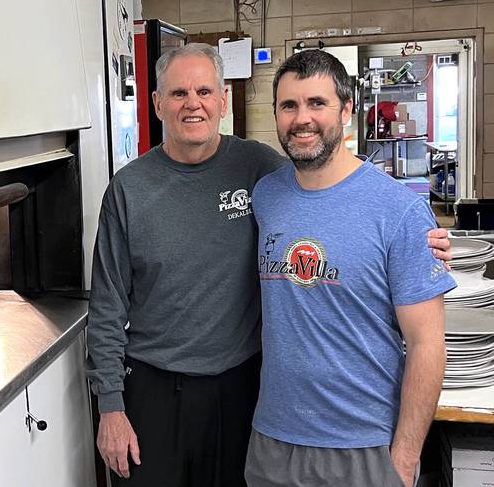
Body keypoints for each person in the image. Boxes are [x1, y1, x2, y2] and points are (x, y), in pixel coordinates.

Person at [86, 44, 451, 486]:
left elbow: (326, 183)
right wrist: (110, 405)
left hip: (246, 392)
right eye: (178, 92)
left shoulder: (259, 170)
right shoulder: (136, 189)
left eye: (204, 90)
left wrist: (419, 238)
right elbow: (106, 308)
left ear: (223, 100)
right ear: (157, 103)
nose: (192, 103)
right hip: (162, 392)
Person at [245, 50, 456, 487]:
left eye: (317, 103)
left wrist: (402, 461)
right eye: (289, 105)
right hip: (273, 443)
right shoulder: (265, 196)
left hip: (363, 447)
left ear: (346, 110)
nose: (302, 119)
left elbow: (427, 345)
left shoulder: (399, 211)